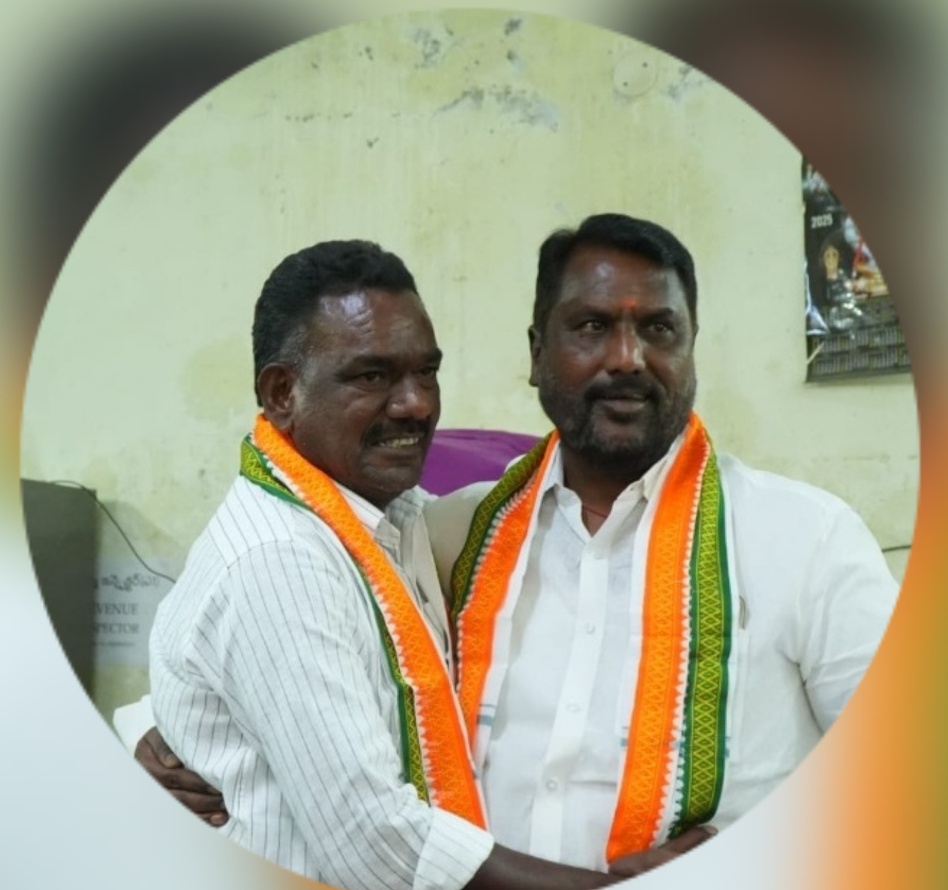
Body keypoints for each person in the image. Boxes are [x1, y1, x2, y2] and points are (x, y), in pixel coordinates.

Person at [126, 212, 896, 869]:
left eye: (659, 329)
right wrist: (159, 740)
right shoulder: (453, 533)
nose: (627, 358)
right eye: (591, 327)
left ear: (692, 351)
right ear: (536, 353)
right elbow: (268, 648)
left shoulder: (809, 540)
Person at [142, 237, 711, 890]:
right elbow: (371, 841)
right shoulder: (283, 559)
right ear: (281, 392)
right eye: (372, 376)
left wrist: (163, 725)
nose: (415, 404)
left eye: (426, 372)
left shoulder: (410, 520)